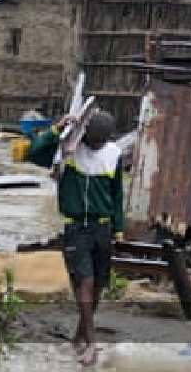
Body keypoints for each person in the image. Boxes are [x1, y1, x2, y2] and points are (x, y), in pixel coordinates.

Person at [27, 110, 123, 366]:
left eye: (102, 141)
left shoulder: (114, 154)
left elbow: (117, 195)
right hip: (76, 228)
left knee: (99, 285)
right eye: (93, 140)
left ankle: (80, 334)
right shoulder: (67, 150)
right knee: (86, 281)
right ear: (84, 134)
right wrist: (56, 130)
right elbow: (34, 153)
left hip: (103, 229)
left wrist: (118, 229)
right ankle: (91, 343)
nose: (97, 145)